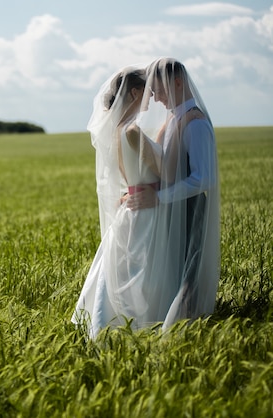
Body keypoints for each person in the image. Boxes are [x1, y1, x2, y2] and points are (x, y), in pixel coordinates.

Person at [72, 66, 177, 339]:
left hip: (133, 203)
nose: (153, 98)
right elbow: (166, 173)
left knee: (125, 270)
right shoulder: (132, 131)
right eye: (148, 91)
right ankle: (143, 323)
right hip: (146, 208)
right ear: (134, 92)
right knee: (144, 275)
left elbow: (129, 174)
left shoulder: (118, 129)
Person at [127, 58, 220, 331]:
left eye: (160, 91)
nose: (156, 100)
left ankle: (184, 329)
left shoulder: (196, 124)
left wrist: (160, 198)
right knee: (173, 272)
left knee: (187, 273)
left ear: (178, 83)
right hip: (171, 208)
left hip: (189, 209)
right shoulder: (174, 120)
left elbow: (204, 179)